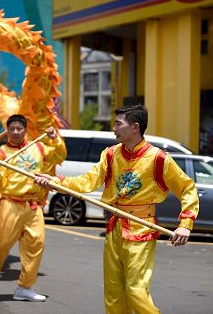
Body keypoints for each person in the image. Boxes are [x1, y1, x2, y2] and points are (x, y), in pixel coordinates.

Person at [35, 105, 199, 313]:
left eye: (118, 124)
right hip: (115, 229)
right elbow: (88, 181)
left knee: (136, 290)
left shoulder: (158, 158)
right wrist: (56, 182)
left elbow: (187, 188)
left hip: (141, 229)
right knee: (114, 292)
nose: (113, 128)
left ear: (135, 127)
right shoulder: (111, 155)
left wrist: (185, 224)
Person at [0, 114, 66, 301]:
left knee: (36, 244)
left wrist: (55, 138)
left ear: (25, 130)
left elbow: (59, 155)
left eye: (19, 129)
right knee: (2, 245)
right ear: (7, 131)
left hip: (33, 204)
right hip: (11, 202)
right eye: (12, 129)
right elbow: (0, 182)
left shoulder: (38, 146)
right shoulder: (1, 152)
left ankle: (25, 287)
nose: (15, 132)